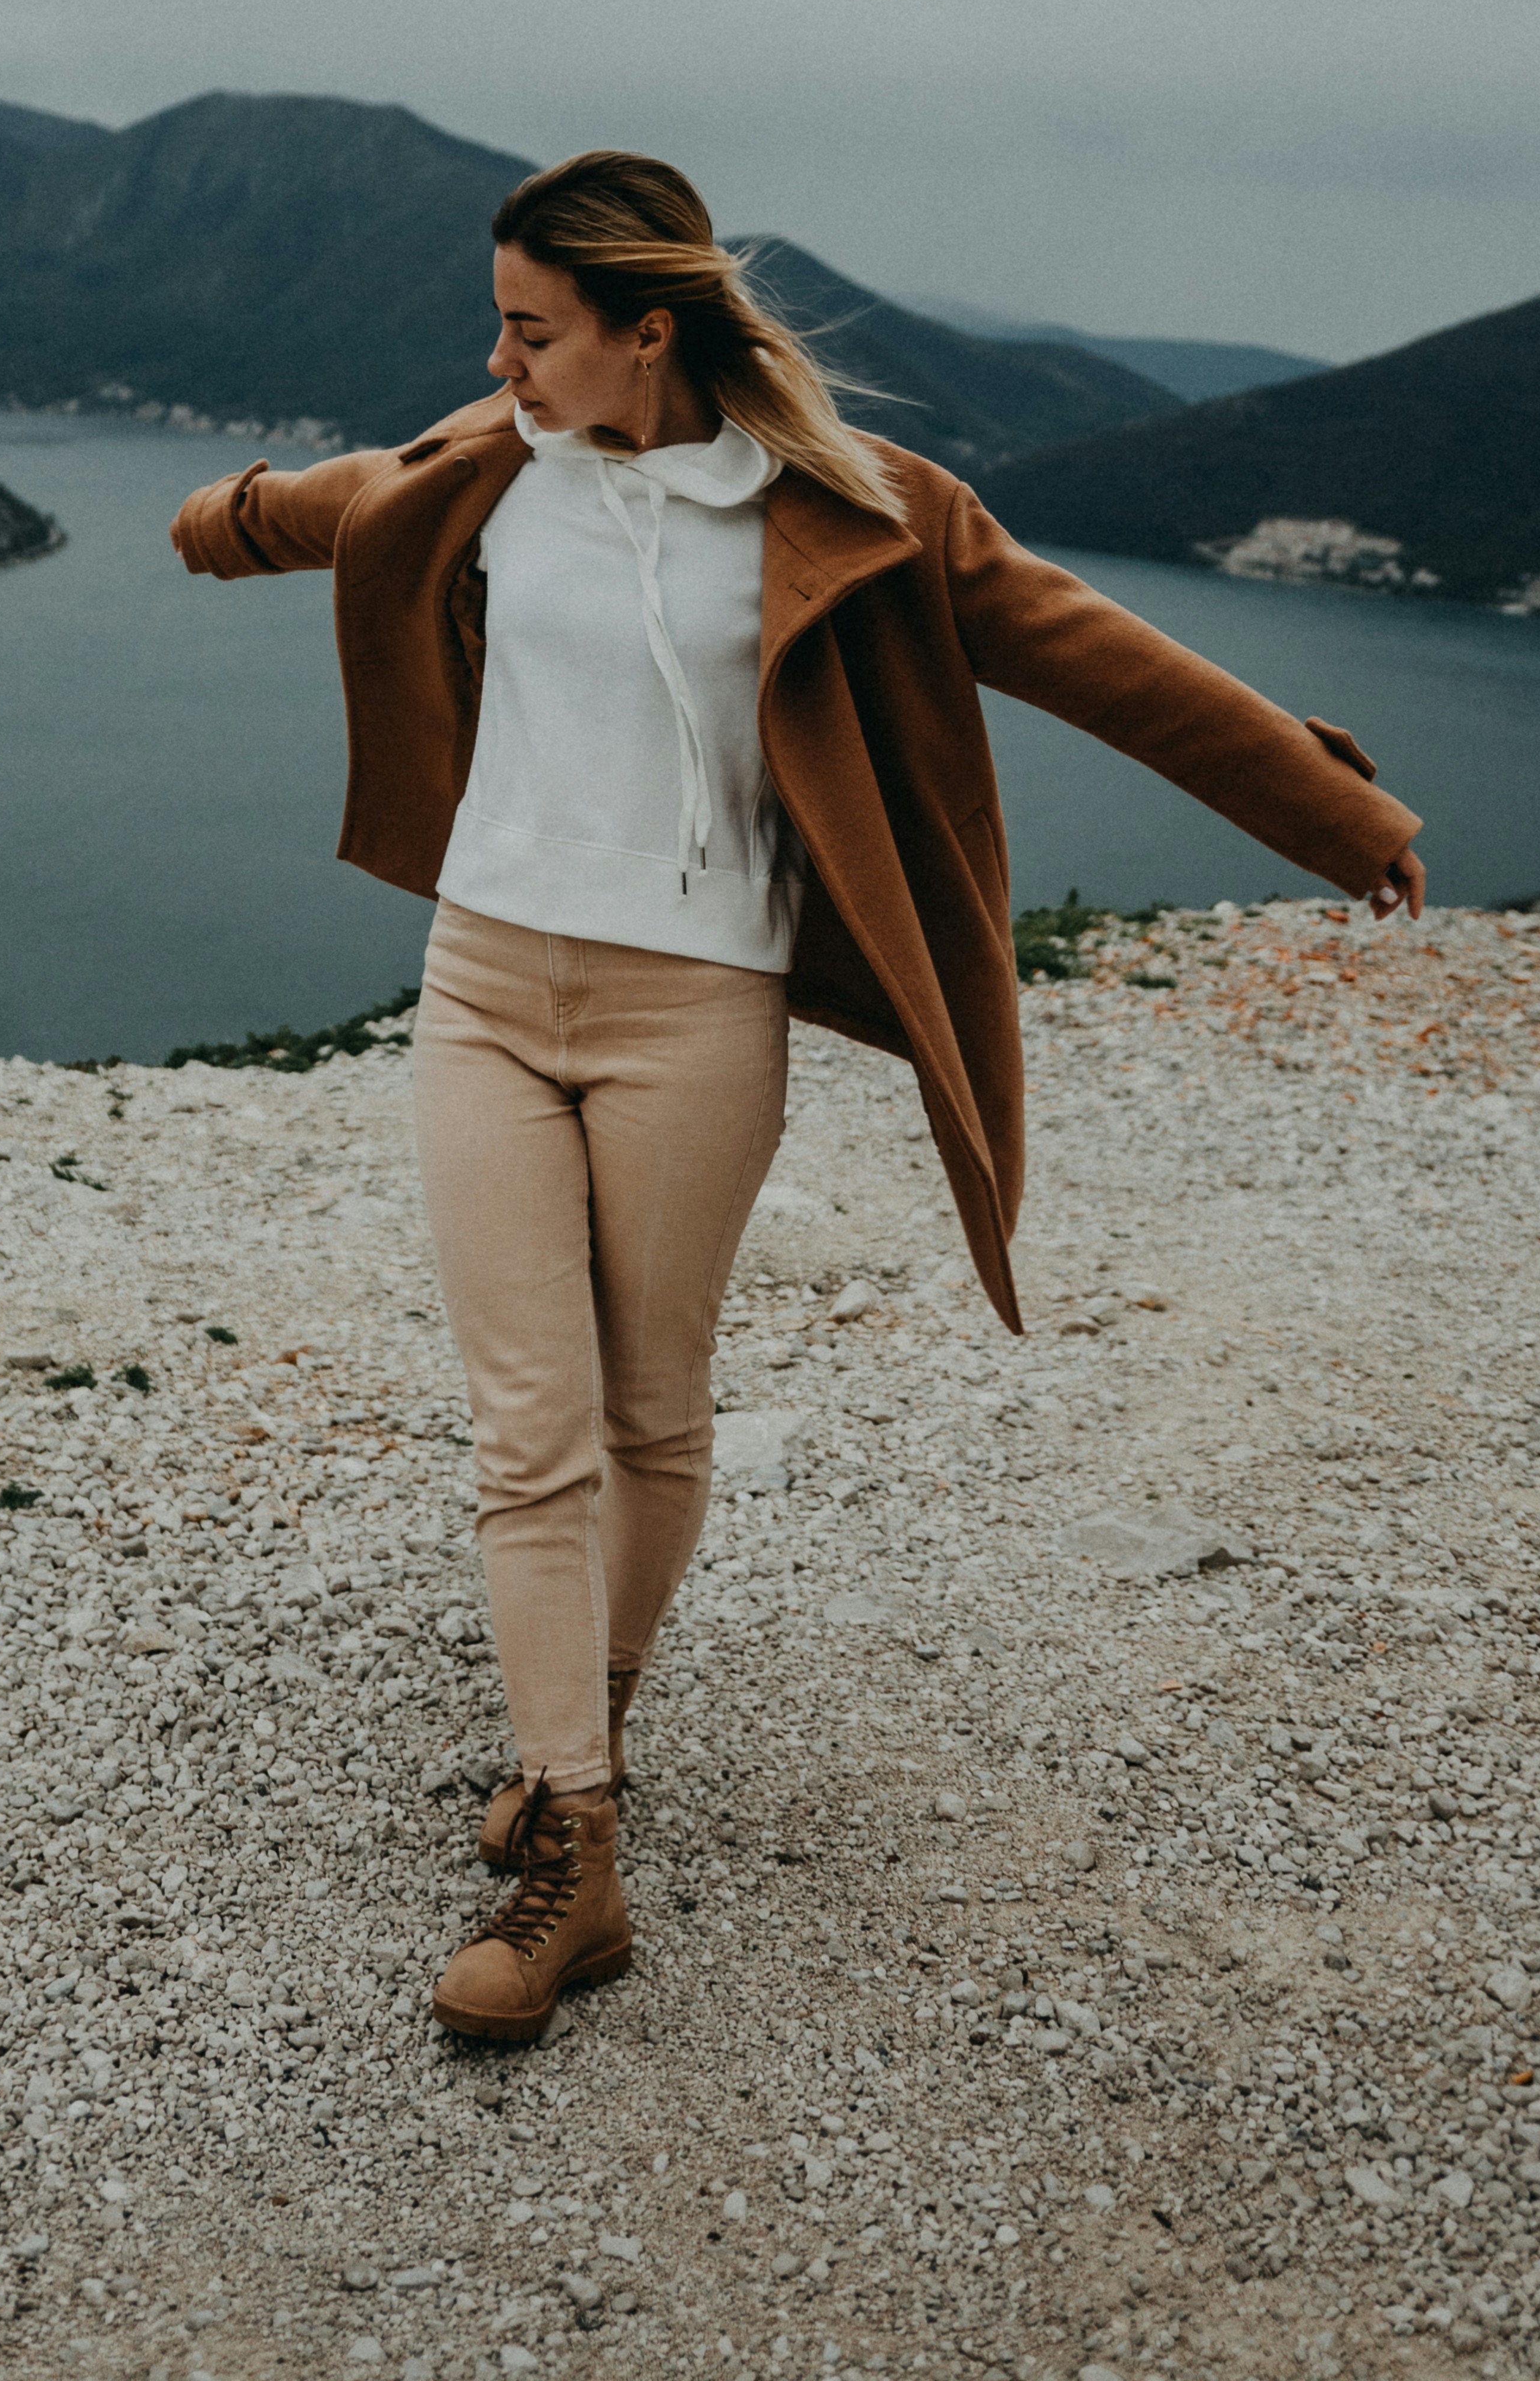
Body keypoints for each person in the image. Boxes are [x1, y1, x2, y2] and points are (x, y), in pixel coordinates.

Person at [171, 151, 1425, 2042]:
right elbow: (334, 505)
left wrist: (1329, 812)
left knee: (653, 1408)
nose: (492, 353)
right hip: (485, 988)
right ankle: (570, 1846)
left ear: (643, 334)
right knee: (530, 1426)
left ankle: (585, 1712)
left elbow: (1104, 656)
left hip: (697, 1011)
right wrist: (215, 519)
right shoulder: (490, 467)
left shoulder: (856, 515)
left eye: (529, 326)